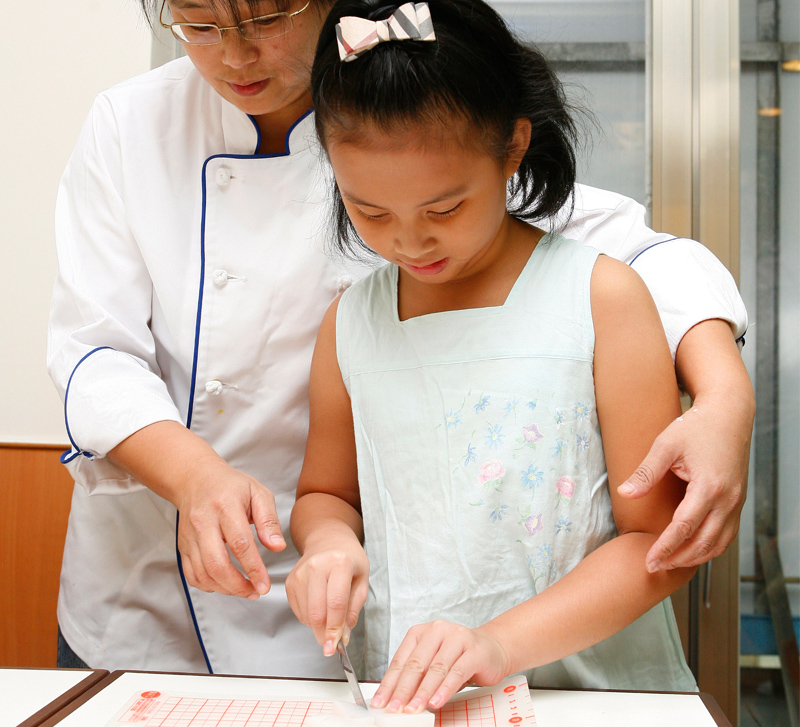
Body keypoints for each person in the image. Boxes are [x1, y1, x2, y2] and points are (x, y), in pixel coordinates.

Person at [48, 0, 752, 675]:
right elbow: (93, 347)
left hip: (411, 643)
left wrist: (723, 396)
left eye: (265, 19)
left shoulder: (409, 98)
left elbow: (636, 255)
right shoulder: (131, 124)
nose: (234, 54)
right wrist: (201, 480)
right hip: (160, 596)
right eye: (198, 24)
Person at [286, 0, 737, 710]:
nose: (409, 242)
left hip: (599, 706)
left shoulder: (600, 297)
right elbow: (325, 495)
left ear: (513, 147)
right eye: (370, 211)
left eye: (443, 209)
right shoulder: (351, 322)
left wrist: (496, 644)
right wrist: (328, 545)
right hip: (417, 706)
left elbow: (657, 541)